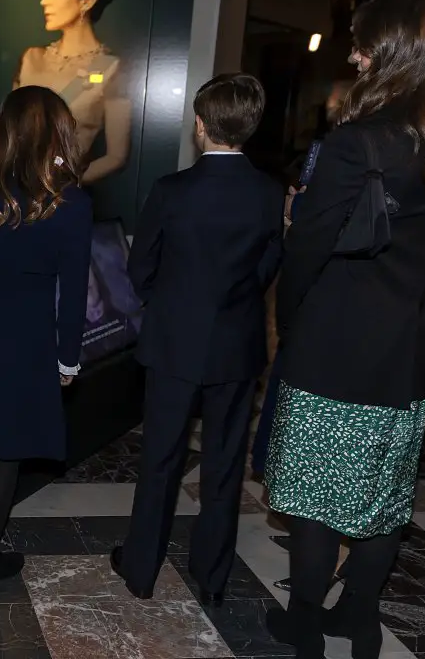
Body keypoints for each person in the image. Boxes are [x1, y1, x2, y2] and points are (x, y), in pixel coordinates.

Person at [264, 0, 425, 659]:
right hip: (408, 348)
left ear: (394, 52)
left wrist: (285, 322)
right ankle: (357, 616)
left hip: (335, 345)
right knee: (383, 499)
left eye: (363, 43)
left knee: (311, 500)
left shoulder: (357, 143)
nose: (354, 55)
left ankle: (303, 622)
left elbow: (304, 254)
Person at [112, 73, 284, 605]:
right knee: (225, 465)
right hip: (235, 345)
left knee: (159, 458)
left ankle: (141, 569)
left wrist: (166, 302)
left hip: (172, 342)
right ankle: (211, 578)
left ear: (201, 124)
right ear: (249, 127)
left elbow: (140, 268)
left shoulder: (172, 190)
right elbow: (268, 268)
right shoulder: (270, 193)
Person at [0, 84, 93, 589]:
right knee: (6, 448)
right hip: (26, 341)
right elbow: (74, 294)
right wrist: (68, 360)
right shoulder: (69, 203)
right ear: (58, 132)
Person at [14, 0, 132, 184]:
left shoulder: (108, 68)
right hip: (15, 195)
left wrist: (63, 187)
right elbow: (10, 136)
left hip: (65, 198)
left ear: (86, 0)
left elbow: (116, 156)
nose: (44, 1)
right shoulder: (31, 59)